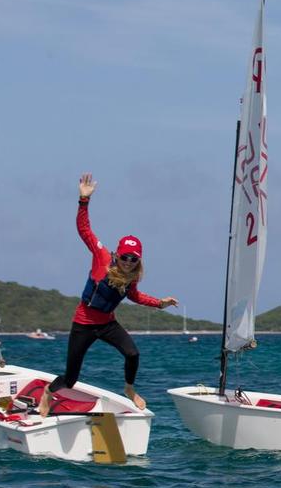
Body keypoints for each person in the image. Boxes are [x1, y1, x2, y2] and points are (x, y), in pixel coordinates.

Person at [38, 174, 178, 417]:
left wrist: (159, 303)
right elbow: (84, 230)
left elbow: (134, 296)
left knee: (133, 353)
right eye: (125, 257)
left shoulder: (132, 276)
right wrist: (84, 199)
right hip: (83, 324)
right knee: (70, 378)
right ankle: (48, 394)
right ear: (118, 254)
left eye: (134, 259)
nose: (128, 262)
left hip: (107, 324)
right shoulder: (102, 258)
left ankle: (129, 389)